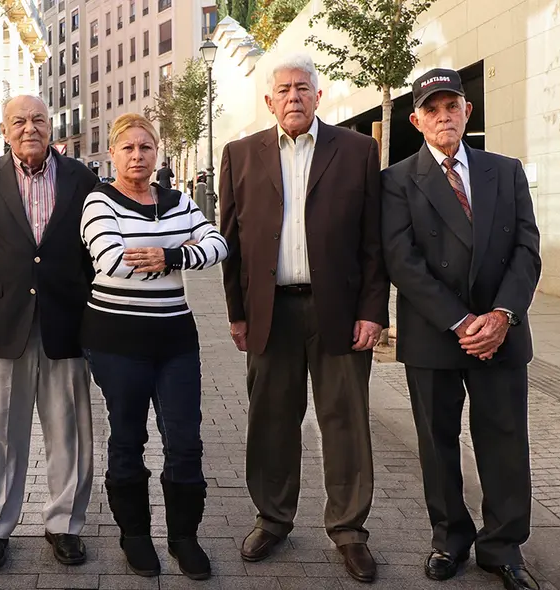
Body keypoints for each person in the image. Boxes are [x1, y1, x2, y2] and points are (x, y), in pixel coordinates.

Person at [219, 53, 389, 583]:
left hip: (337, 311)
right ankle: (272, 518)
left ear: (320, 96)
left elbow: (373, 243)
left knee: (345, 422)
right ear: (269, 101)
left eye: (303, 88)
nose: (294, 96)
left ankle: (349, 530)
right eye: (284, 89)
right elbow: (231, 242)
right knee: (271, 420)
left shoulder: (359, 150)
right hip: (270, 312)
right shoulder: (239, 154)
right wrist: (237, 313)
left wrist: (372, 311)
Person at [381, 68, 542, 590]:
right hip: (436, 334)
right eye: (432, 109)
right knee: (437, 441)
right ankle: (449, 539)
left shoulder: (506, 170)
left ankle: (503, 548)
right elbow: (401, 261)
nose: (443, 116)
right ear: (416, 120)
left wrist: (501, 316)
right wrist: (461, 320)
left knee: (504, 441)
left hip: (502, 331)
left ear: (468, 112)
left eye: (452, 106)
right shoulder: (398, 180)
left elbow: (526, 249)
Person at [81, 113, 228, 580]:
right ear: (112, 154)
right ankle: (135, 536)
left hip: (175, 340)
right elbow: (110, 258)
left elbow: (218, 244)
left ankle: (185, 537)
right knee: (128, 438)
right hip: (117, 341)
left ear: (157, 152)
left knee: (185, 442)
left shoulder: (179, 201)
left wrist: (173, 254)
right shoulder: (98, 201)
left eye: (146, 148)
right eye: (128, 148)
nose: (138, 156)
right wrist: (176, 250)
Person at [0, 95, 97, 569]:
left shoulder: (82, 178)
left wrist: (96, 322)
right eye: (18, 121)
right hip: (1, 322)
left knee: (69, 429)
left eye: (38, 119)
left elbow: (92, 256)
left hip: (67, 321)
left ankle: (65, 524)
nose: (29, 128)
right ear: (4, 129)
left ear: (52, 125)